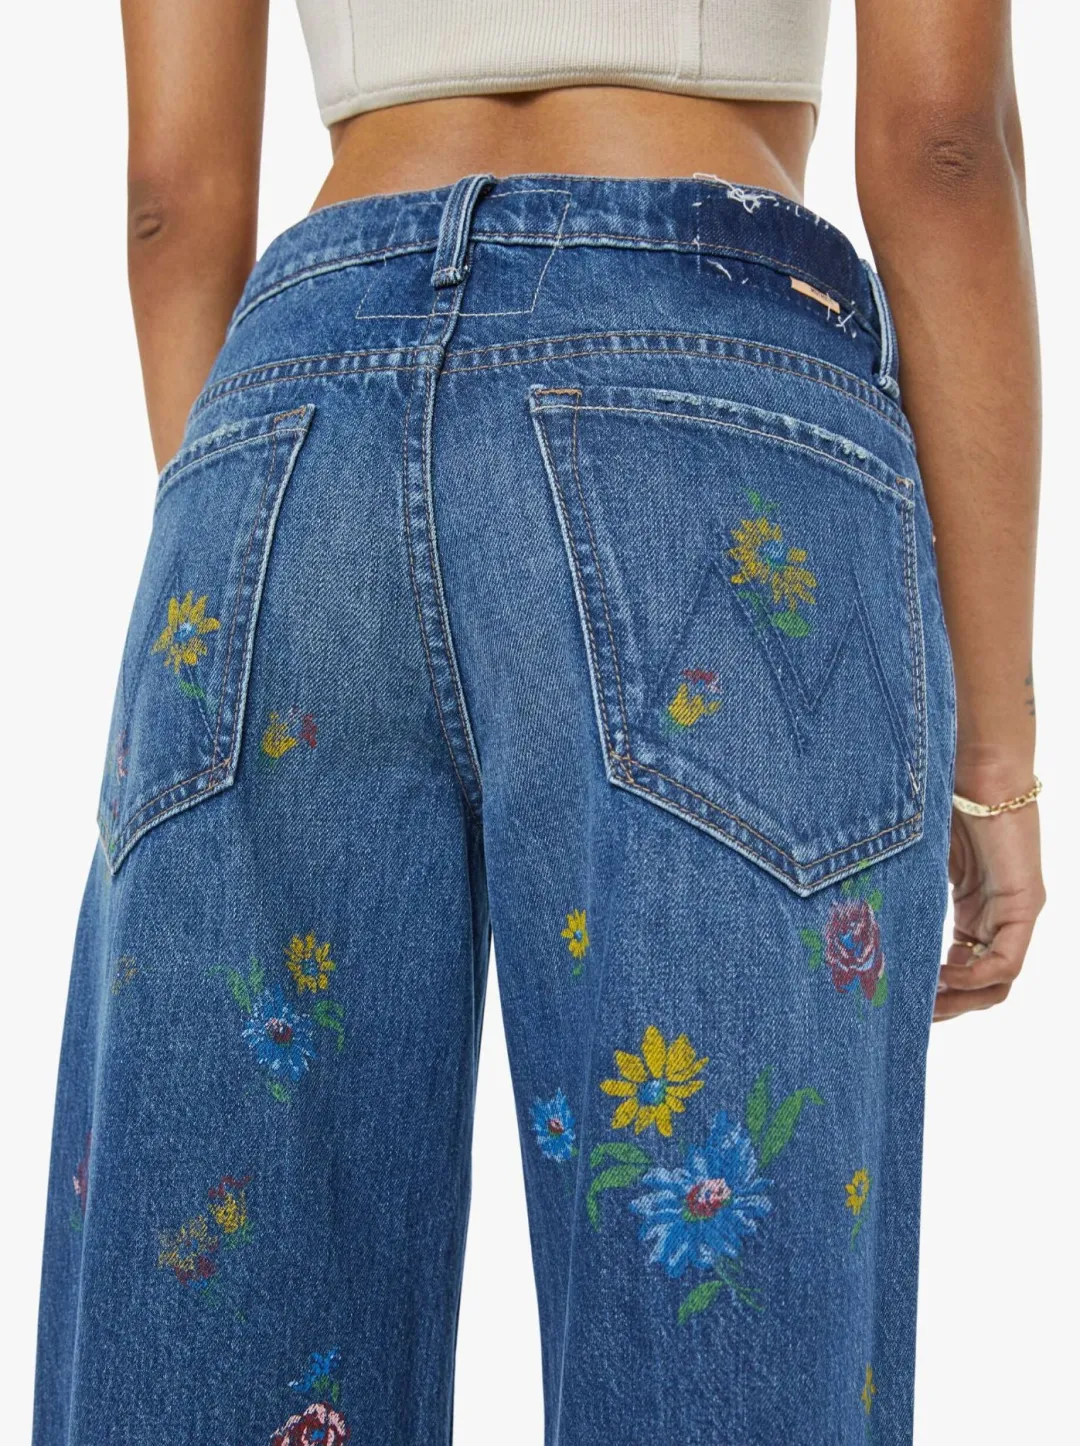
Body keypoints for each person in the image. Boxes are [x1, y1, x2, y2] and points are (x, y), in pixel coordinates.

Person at [34, 2, 1044, 1442]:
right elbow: (941, 143)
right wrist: (994, 754)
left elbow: (171, 202)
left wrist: (266, 559)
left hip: (288, 430)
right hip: (701, 423)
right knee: (719, 1350)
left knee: (214, 1310)